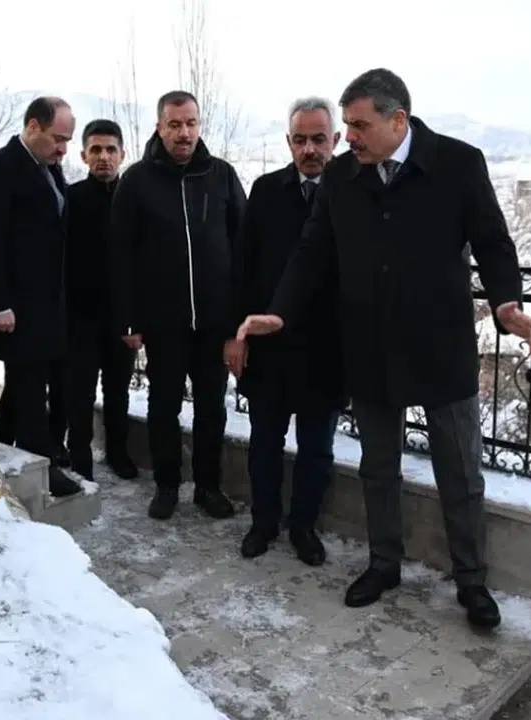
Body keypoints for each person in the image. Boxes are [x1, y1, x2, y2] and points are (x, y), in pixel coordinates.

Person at [236, 69, 531, 629]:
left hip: (441, 348)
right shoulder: (342, 176)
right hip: (371, 347)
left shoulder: (458, 163)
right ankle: (383, 564)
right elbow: (311, 252)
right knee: (378, 469)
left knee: (460, 473)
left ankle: (472, 581)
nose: (348, 137)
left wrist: (505, 302)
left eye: (358, 125)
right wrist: (281, 310)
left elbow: (493, 241)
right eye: (347, 126)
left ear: (397, 120)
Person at [110, 90, 247, 521]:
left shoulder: (221, 175)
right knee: (163, 407)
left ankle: (208, 487)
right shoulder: (136, 181)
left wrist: (238, 322)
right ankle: (167, 486)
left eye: (190, 123)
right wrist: (128, 319)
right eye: (174, 124)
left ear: (199, 125)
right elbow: (120, 254)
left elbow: (244, 245)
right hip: (163, 321)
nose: (183, 133)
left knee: (211, 409)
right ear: (160, 127)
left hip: (213, 321)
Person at [226, 97, 344, 567]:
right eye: (300, 140)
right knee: (264, 444)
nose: (309, 149)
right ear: (288, 142)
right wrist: (235, 335)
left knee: (317, 448)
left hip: (326, 350)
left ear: (335, 140)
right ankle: (263, 523)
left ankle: (303, 528)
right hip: (270, 348)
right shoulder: (266, 190)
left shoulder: (351, 193)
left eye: (319, 139)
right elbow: (242, 268)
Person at [0, 96, 82, 498]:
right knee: (32, 388)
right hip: (17, 306)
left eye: (67, 141)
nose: (63, 149)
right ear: (33, 126)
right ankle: (43, 467)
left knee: (26, 385)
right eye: (58, 138)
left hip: (48, 303)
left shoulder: (49, 168)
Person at [64, 119, 139, 481]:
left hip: (122, 317)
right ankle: (80, 458)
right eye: (96, 150)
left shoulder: (134, 198)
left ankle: (118, 453)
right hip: (80, 316)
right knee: (79, 392)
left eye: (111, 149)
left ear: (122, 154)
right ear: (84, 155)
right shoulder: (71, 198)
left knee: (118, 391)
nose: (104, 157)